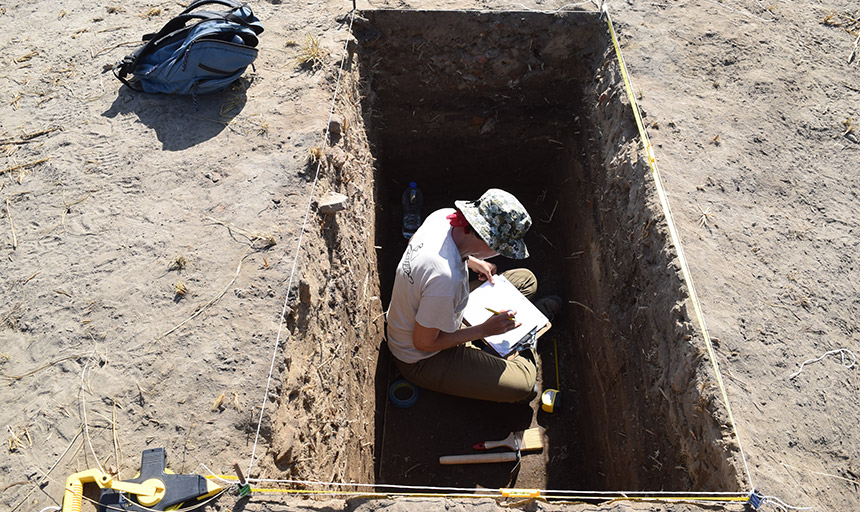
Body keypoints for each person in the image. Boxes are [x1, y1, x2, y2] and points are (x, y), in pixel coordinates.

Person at [386, 188, 546, 403]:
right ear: (487, 241)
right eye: (500, 249)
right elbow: (423, 343)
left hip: (441, 312)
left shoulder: (443, 217)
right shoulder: (444, 278)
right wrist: (483, 330)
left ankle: (505, 338)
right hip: (422, 357)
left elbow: (414, 240)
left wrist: (472, 261)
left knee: (525, 280)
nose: (499, 254)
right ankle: (529, 336)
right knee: (525, 384)